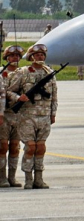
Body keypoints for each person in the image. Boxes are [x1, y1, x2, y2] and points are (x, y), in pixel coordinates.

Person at [7, 44, 57, 189]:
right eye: (37, 55)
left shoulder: (50, 73)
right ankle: (28, 178)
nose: (40, 57)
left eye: (42, 55)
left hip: (44, 116)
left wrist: (53, 113)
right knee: (30, 147)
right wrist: (18, 98)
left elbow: (54, 96)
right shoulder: (22, 72)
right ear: (31, 57)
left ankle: (39, 178)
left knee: (41, 147)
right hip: (27, 116)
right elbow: (9, 92)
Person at [1, 45, 24, 187]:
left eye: (17, 56)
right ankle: (1, 177)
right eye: (12, 56)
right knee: (2, 147)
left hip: (19, 115)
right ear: (6, 58)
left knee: (15, 147)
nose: (15, 58)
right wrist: (16, 97)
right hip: (5, 113)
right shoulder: (1, 73)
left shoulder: (24, 73)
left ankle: (12, 177)